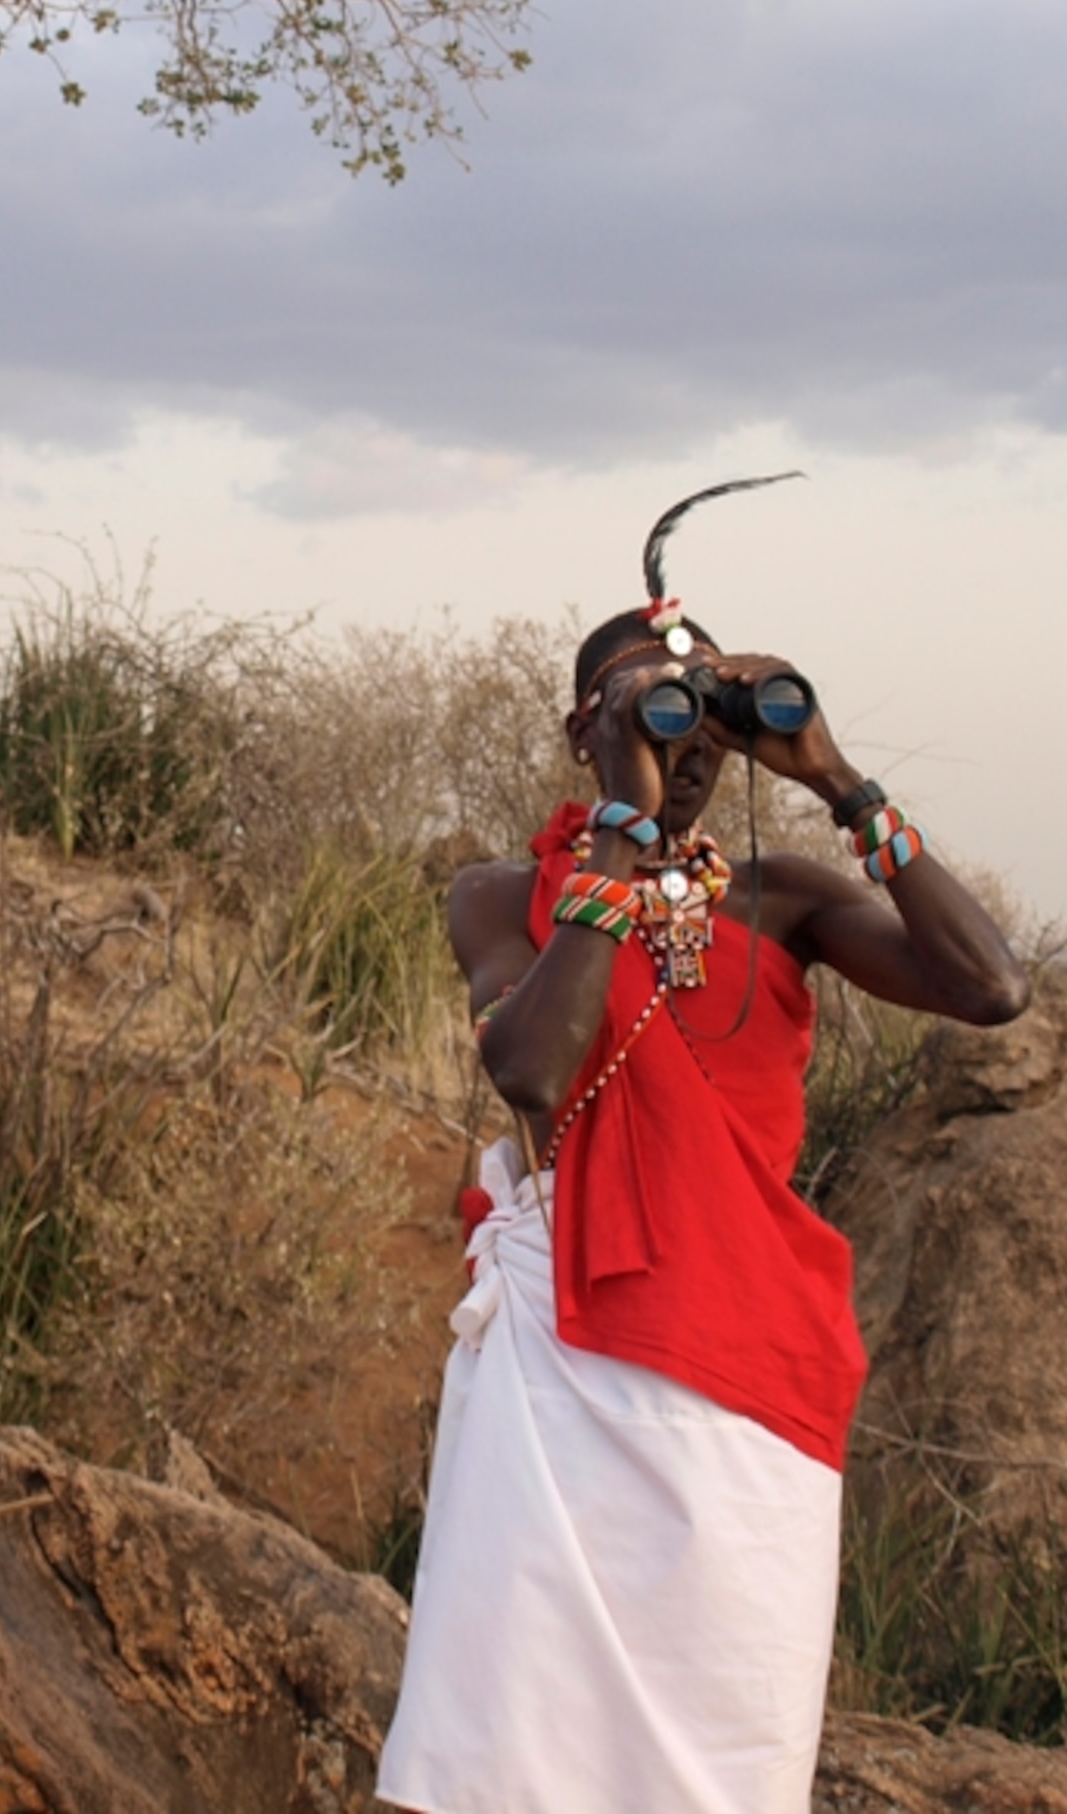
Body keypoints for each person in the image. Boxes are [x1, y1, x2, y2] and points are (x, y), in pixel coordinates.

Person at [376, 486, 1031, 1814]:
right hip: (574, 1369)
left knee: (721, 1751)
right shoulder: (509, 896)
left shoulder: (785, 901)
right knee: (515, 1743)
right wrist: (625, 828)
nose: (691, 747)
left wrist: (837, 775)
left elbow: (991, 989)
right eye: (651, 712)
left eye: (706, 718)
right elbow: (532, 1064)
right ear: (585, 731)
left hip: (753, 1370)